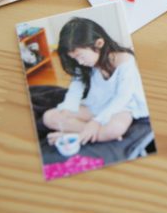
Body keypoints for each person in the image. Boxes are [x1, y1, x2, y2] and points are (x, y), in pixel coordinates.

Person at [42, 17, 149, 147]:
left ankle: (73, 135)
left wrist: (96, 122)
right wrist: (66, 111)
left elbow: (123, 97)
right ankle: (95, 134)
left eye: (80, 56)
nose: (79, 62)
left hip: (121, 108)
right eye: (74, 59)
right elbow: (75, 91)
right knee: (49, 117)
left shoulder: (125, 60)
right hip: (96, 105)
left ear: (99, 43)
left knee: (114, 129)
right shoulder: (83, 65)